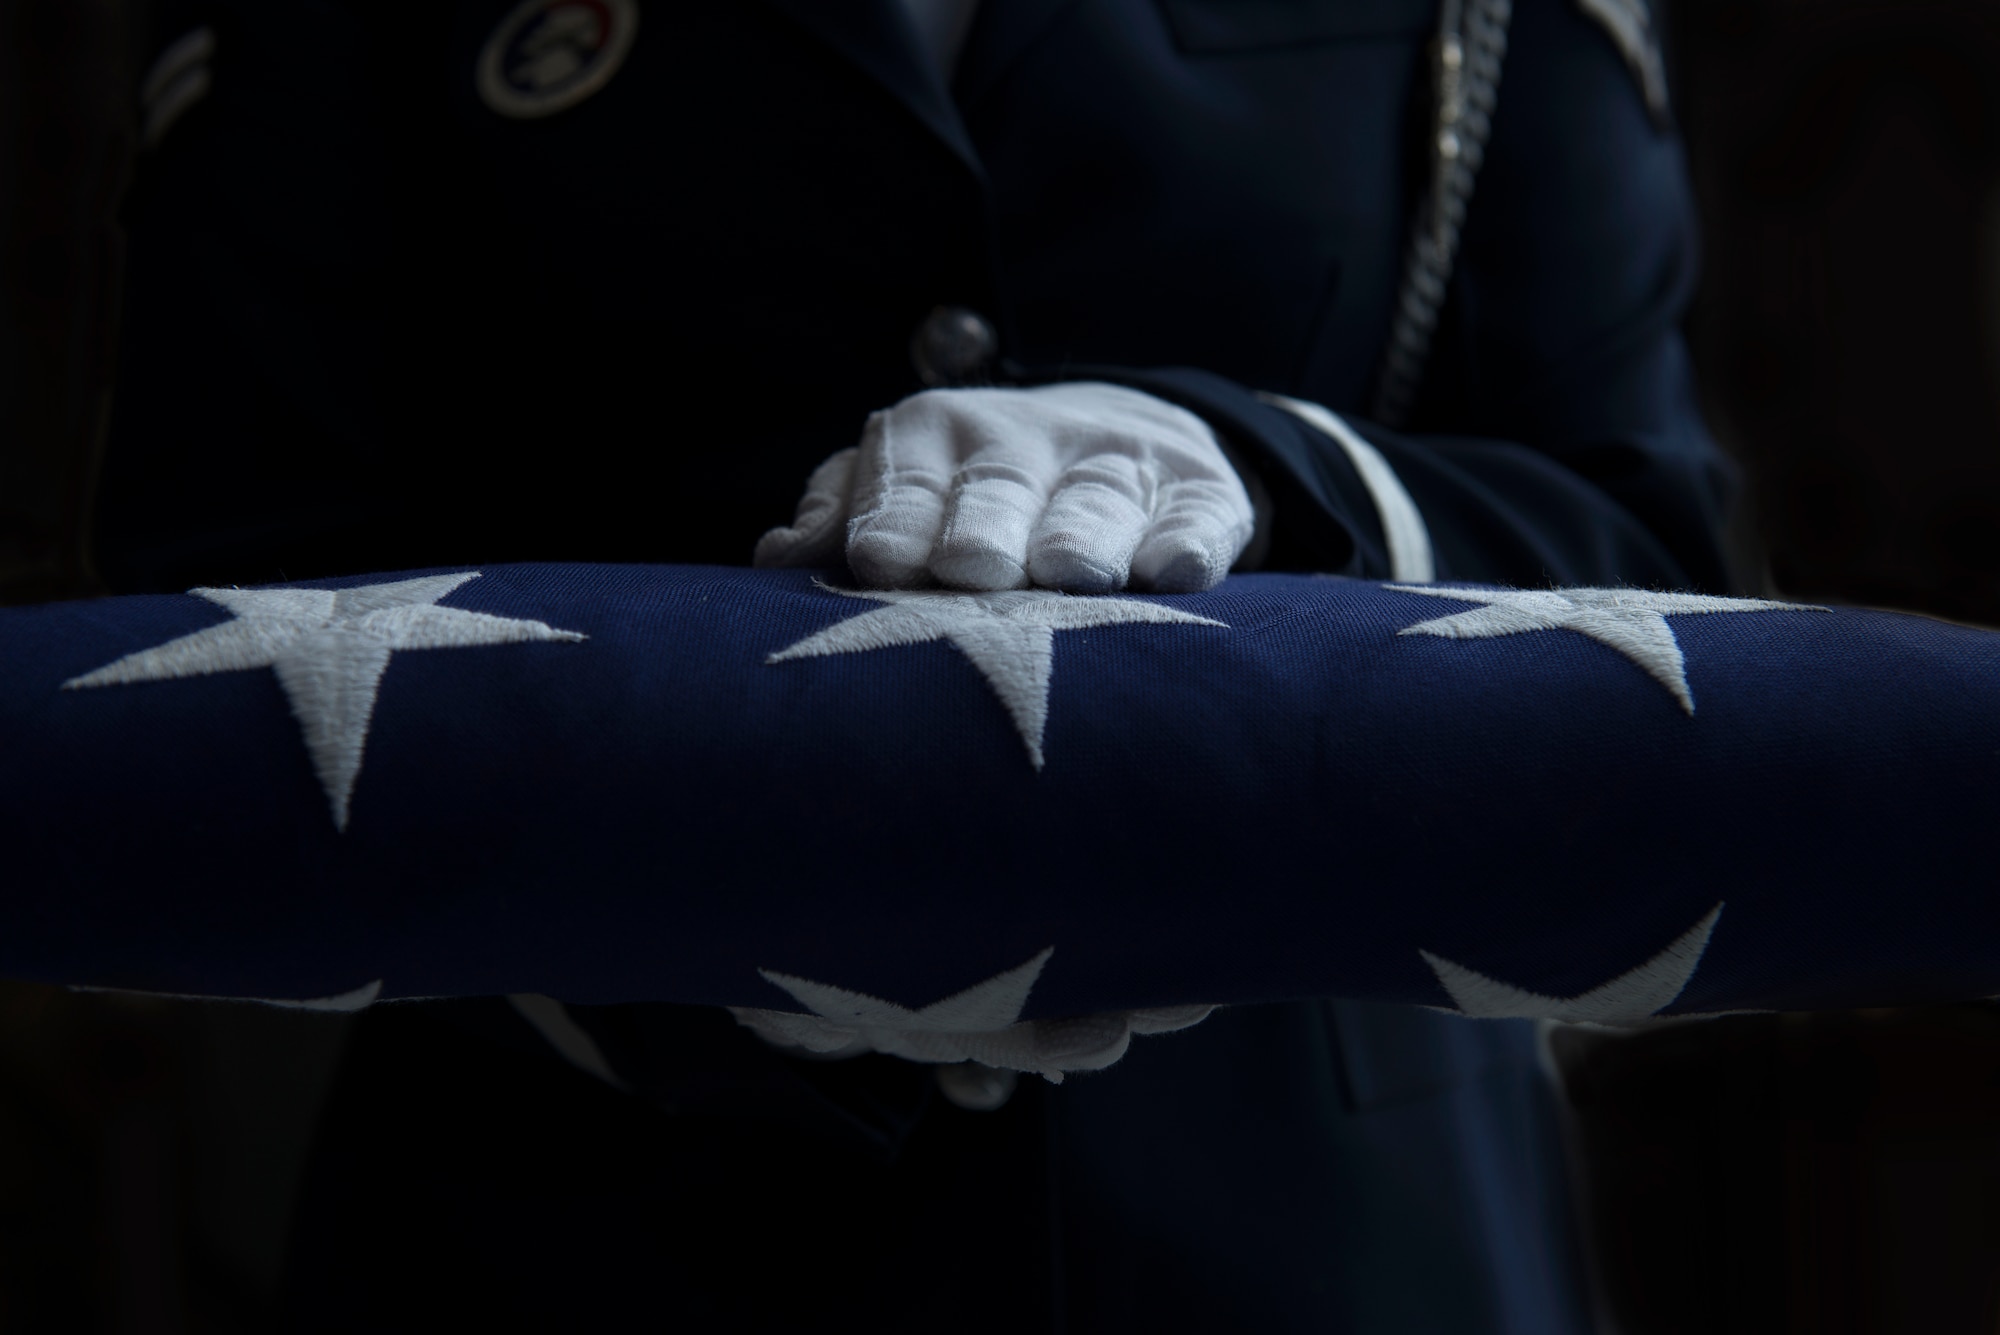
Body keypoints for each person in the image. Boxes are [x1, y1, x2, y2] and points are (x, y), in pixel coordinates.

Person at [94, 0, 1732, 1328]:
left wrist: (1256, 469)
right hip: (574, 1208)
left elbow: (1657, 558)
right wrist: (686, 923)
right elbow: (216, 591)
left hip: (1328, 1230)